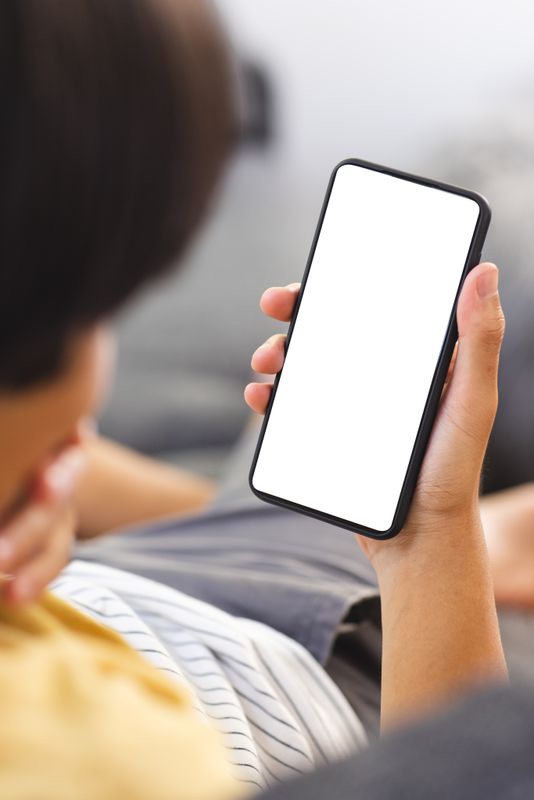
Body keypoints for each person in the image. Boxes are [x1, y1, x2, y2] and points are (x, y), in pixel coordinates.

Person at [0, 0, 524, 797]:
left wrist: (36, 493)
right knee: (490, 210)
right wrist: (432, 537)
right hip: (345, 674)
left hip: (167, 570)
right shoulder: (114, 759)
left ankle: (493, 535)